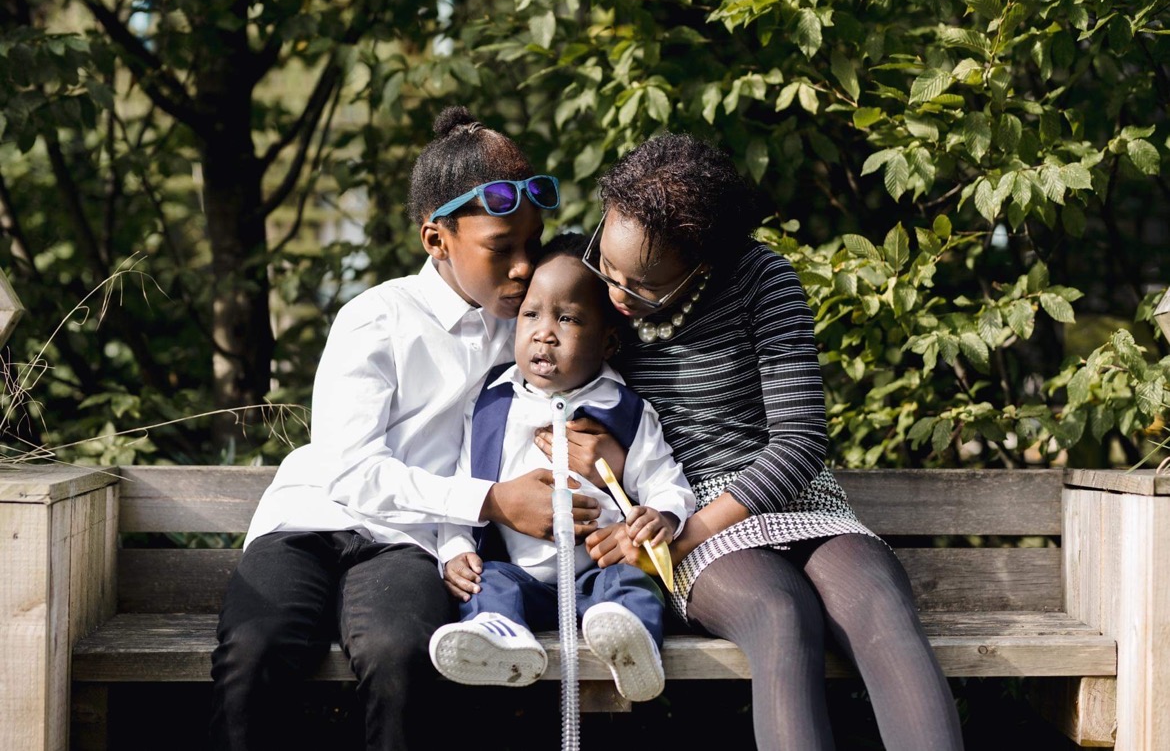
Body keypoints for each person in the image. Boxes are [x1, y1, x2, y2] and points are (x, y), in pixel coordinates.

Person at [538, 133, 964, 750]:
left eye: (640, 287)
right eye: (607, 266)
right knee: (779, 614)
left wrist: (689, 534)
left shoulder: (762, 279)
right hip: (678, 503)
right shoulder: (594, 286)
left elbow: (799, 443)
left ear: (702, 265)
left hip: (792, 500)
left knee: (879, 605)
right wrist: (614, 462)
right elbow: (539, 372)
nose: (614, 294)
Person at [208, 106, 602, 751]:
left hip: (414, 542)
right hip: (312, 520)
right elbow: (350, 470)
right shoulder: (377, 318)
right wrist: (494, 501)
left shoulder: (528, 327)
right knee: (255, 649)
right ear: (436, 239)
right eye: (501, 249)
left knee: (401, 655)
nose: (524, 267)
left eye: (532, 245)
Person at [428, 235, 695, 702]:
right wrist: (452, 547)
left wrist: (663, 516)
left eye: (567, 318)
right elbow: (463, 485)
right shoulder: (491, 403)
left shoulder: (624, 409)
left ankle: (630, 641)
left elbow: (667, 483)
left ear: (609, 341)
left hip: (597, 575)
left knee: (629, 582)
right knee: (487, 581)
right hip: (520, 576)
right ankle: (499, 636)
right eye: (531, 314)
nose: (543, 332)